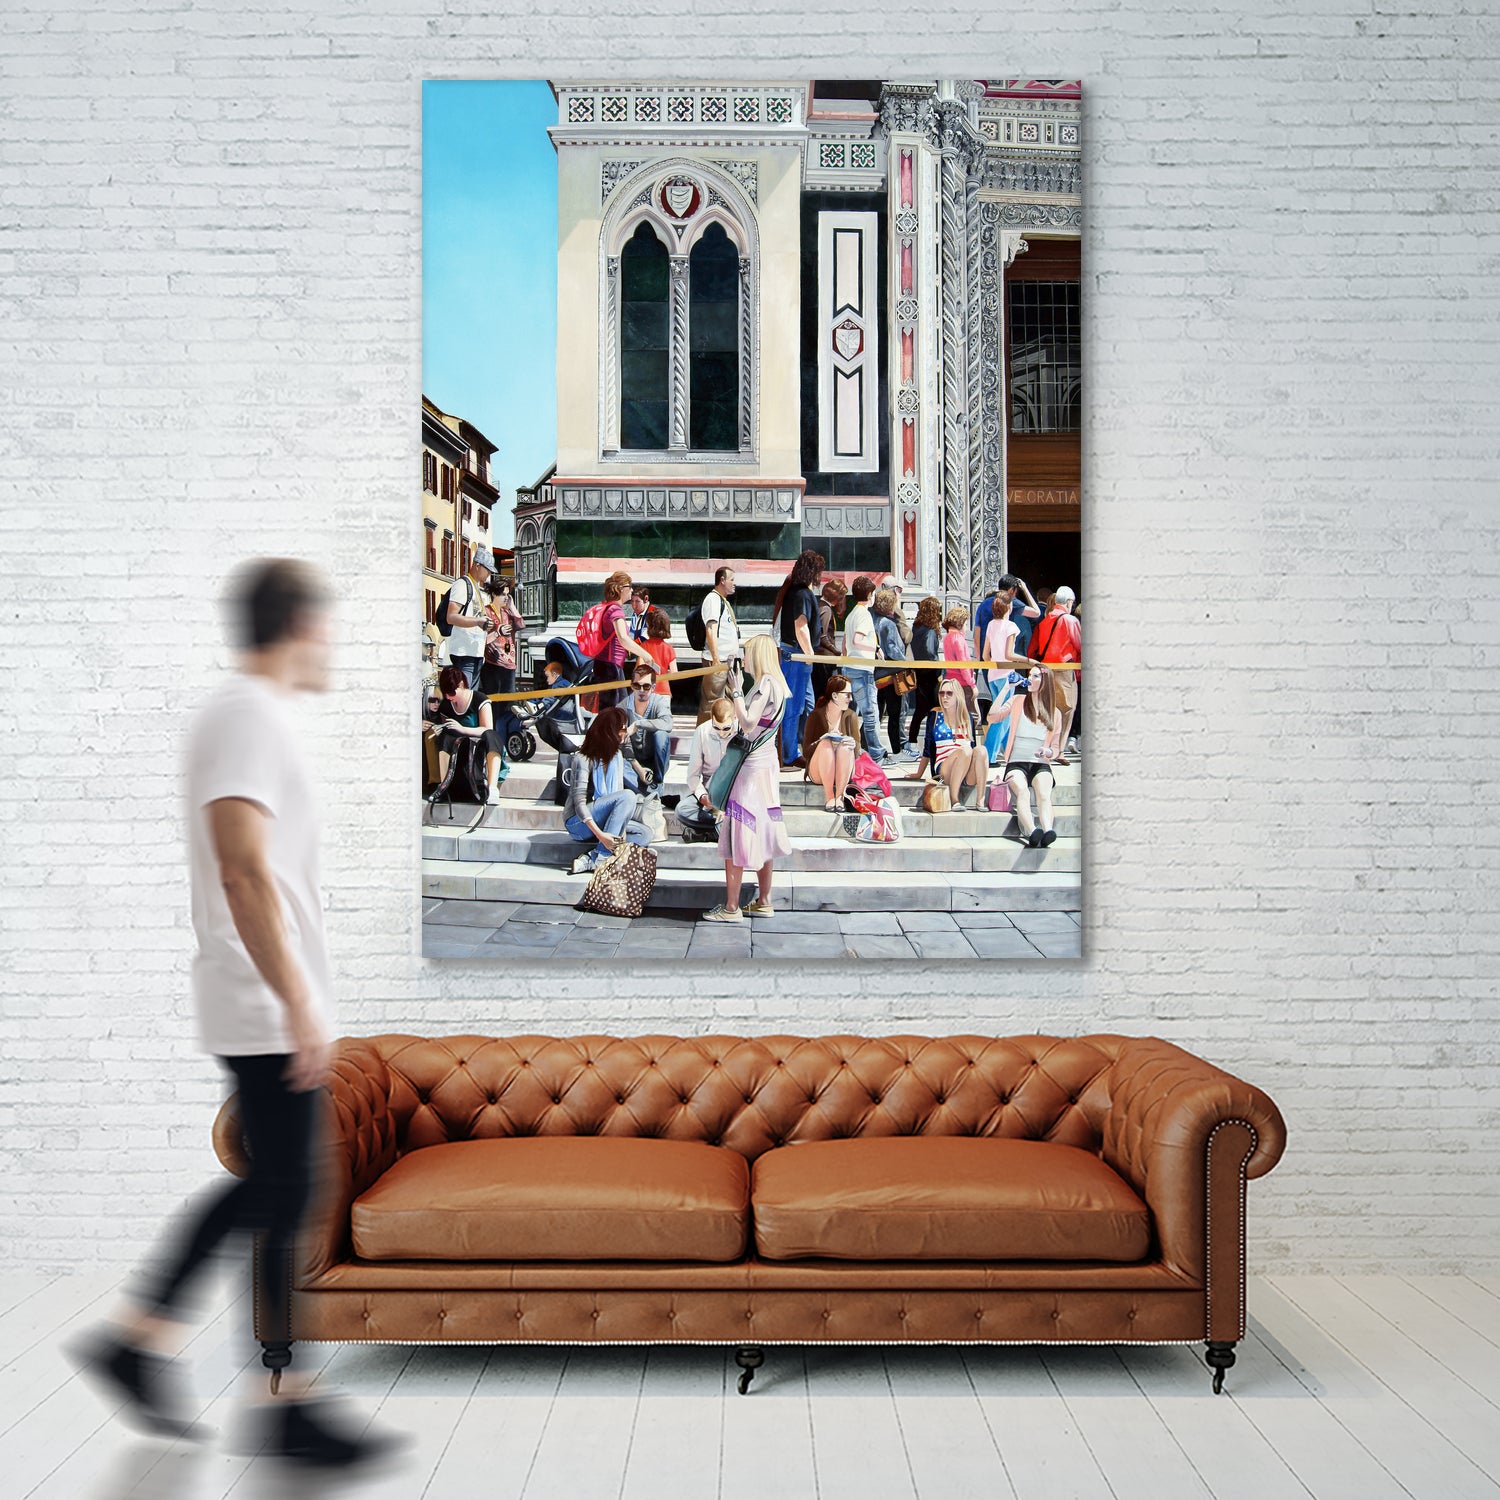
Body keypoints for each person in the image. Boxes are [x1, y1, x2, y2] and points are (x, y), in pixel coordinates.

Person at [70, 559, 402, 1469]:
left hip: (263, 997)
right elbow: (242, 869)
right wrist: (296, 1002)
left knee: (283, 1189)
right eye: (326, 623)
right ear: (295, 625)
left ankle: (239, 1379)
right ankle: (194, 1362)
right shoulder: (245, 717)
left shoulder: (251, 719)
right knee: (286, 1188)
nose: (333, 641)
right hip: (258, 1000)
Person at [703, 633, 791, 922]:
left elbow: (748, 721)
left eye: (748, 652)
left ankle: (731, 907)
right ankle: (764, 900)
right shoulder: (779, 686)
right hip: (766, 767)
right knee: (764, 830)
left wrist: (738, 691)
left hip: (751, 769)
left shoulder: (765, 683)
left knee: (739, 831)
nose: (745, 658)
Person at [564, 705, 652, 874]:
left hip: (606, 821)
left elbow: (618, 802)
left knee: (645, 834)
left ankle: (593, 857)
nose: (626, 732)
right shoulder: (582, 759)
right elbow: (579, 804)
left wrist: (622, 829)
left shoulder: (617, 757)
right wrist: (601, 836)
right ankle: (604, 858)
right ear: (610, 731)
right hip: (579, 823)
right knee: (628, 796)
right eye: (622, 728)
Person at [998, 664, 1064, 846]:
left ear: (1045, 683)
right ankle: (1032, 831)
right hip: (1016, 762)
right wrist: (1006, 689)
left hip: (1041, 762)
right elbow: (993, 716)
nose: (1029, 679)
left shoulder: (1055, 713)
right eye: (1030, 675)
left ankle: (1048, 830)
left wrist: (1048, 751)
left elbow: (1057, 749)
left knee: (1044, 794)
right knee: (1023, 792)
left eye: (1035, 676)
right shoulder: (1019, 700)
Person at [772, 549, 824, 765]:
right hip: (797, 655)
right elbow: (800, 625)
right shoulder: (802, 593)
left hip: (792, 653)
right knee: (794, 708)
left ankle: (797, 748)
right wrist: (810, 655)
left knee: (804, 704)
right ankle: (789, 754)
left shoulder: (793, 590)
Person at [430, 664, 508, 803]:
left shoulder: (479, 699)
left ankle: (492, 788)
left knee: (493, 737)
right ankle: (443, 785)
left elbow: (487, 728)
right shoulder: (447, 705)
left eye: (452, 693)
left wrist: (463, 729)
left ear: (461, 685)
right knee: (444, 738)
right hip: (458, 750)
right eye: (446, 693)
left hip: (479, 747)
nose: (448, 697)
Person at [909, 679, 990, 811]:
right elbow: (927, 748)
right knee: (965, 751)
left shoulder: (967, 717)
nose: (944, 697)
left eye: (949, 693)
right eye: (941, 693)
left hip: (966, 769)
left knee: (981, 750)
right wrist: (919, 773)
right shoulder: (935, 715)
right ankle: (954, 799)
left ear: (958, 695)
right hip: (944, 768)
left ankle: (980, 800)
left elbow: (974, 747)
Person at [1031, 585, 1082, 764]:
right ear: (1068, 602)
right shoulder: (1070, 621)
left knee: (1049, 709)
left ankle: (1045, 747)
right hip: (1065, 671)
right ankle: (1058, 750)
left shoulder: (1044, 622)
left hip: (1046, 671)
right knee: (1067, 709)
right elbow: (1079, 645)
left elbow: (1033, 649)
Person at [595, 571, 657, 710]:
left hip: (606, 663)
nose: (632, 590)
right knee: (615, 709)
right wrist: (645, 655)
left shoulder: (607, 607)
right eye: (630, 586)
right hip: (611, 665)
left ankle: (609, 731)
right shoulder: (616, 610)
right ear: (621, 589)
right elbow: (623, 638)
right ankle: (609, 732)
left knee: (613, 707)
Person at [678, 697, 737, 840]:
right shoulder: (702, 731)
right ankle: (722, 829)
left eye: (726, 728)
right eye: (716, 727)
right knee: (682, 810)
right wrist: (703, 796)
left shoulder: (743, 732)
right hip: (709, 791)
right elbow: (693, 774)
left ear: (734, 718)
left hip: (735, 793)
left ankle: (707, 834)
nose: (721, 732)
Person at [801, 674, 861, 812]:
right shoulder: (816, 716)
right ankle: (829, 797)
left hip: (844, 770)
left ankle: (839, 797)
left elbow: (857, 750)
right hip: (819, 771)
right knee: (826, 744)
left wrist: (853, 745)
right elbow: (806, 752)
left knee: (845, 747)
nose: (850, 699)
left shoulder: (850, 716)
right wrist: (822, 740)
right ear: (834, 696)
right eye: (847, 695)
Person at [842, 574, 885, 763]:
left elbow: (845, 644)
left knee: (849, 713)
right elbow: (856, 640)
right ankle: (876, 753)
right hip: (862, 668)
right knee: (870, 713)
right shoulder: (864, 615)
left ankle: (850, 750)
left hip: (850, 667)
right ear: (869, 594)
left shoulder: (851, 614)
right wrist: (876, 649)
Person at [444, 547, 498, 690]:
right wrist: (478, 621)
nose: (489, 574)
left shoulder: (477, 589)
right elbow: (451, 617)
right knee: (464, 696)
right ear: (477, 565)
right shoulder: (462, 585)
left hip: (476, 653)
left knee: (469, 697)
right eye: (487, 569)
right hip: (464, 652)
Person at [698, 565, 742, 724]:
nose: (734, 583)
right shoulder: (713, 599)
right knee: (712, 703)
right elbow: (711, 629)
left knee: (732, 701)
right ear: (722, 580)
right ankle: (704, 738)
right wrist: (716, 659)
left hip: (729, 662)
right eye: (732, 580)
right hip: (718, 661)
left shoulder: (722, 601)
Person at [623, 662, 673, 793]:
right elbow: (620, 740)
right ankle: (637, 788)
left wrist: (639, 724)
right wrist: (638, 768)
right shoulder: (623, 706)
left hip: (654, 760)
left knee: (662, 735)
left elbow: (668, 724)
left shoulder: (659, 702)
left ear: (653, 687)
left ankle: (657, 783)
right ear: (631, 686)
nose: (641, 690)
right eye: (636, 686)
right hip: (632, 762)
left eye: (646, 686)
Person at [872, 585, 908, 758]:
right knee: (894, 714)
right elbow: (893, 649)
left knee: (876, 712)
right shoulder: (888, 624)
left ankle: (870, 743)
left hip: (877, 674)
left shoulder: (873, 619)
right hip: (892, 675)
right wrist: (906, 663)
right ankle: (896, 749)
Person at [906, 595, 943, 756]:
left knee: (920, 710)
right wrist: (939, 673)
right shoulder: (930, 631)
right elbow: (930, 652)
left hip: (920, 671)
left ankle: (912, 741)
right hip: (931, 675)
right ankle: (933, 740)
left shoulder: (916, 627)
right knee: (936, 709)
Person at [480, 576, 526, 699]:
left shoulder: (507, 613)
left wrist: (512, 606)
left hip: (509, 664)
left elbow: (521, 625)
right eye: (503, 595)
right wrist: (498, 632)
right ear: (494, 594)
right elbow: (481, 639)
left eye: (507, 595)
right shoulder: (485, 612)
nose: (506, 598)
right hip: (492, 664)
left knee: (508, 700)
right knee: (494, 700)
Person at [941, 605, 978, 731]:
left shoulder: (947, 638)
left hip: (950, 681)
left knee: (955, 716)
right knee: (971, 716)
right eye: (966, 624)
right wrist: (972, 685)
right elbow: (964, 665)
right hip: (963, 684)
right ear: (960, 622)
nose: (966, 628)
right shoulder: (959, 639)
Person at [812, 576, 848, 699]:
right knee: (824, 693)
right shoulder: (826, 609)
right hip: (824, 660)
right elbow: (823, 636)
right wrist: (836, 651)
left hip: (819, 658)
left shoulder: (819, 605)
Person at [641, 606, 676, 698]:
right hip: (664, 691)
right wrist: (664, 672)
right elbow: (674, 674)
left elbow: (639, 669)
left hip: (647, 691)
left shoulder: (644, 646)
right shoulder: (669, 649)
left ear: (648, 625)